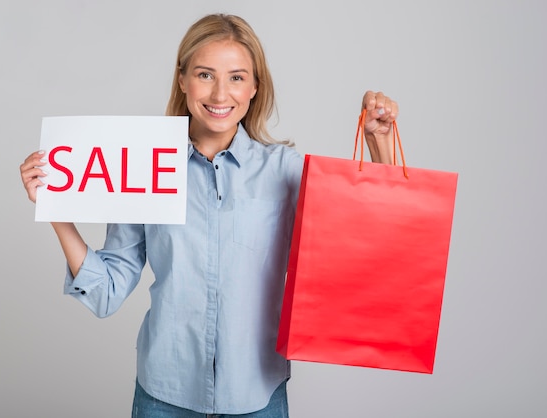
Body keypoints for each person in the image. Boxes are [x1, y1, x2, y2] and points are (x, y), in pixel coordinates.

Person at [20, 13, 398, 418]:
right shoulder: (146, 168)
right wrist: (55, 210)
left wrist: (380, 144)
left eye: (236, 77)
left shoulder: (285, 170)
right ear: (182, 79)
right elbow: (106, 292)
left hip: (257, 398)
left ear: (255, 87)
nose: (221, 93)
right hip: (163, 397)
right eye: (205, 74)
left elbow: (367, 238)